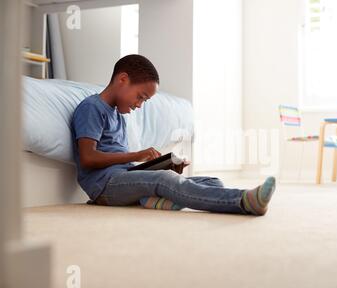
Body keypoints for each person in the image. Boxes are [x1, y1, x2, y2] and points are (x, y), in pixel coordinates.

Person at [71, 54, 276, 215]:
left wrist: (164, 165)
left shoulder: (118, 116)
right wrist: (136, 156)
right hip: (105, 186)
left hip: (124, 177)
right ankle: (244, 201)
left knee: (211, 182)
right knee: (164, 179)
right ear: (123, 79)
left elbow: (120, 162)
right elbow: (88, 158)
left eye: (144, 101)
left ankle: (156, 201)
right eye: (140, 97)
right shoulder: (92, 108)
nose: (139, 105)